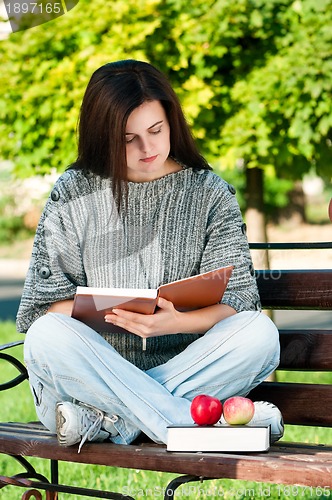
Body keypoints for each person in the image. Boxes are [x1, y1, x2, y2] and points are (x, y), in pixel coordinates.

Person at [17, 59, 283, 452]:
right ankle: (179, 422)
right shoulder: (74, 191)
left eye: (156, 130)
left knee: (260, 334)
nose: (148, 148)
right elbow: (40, 309)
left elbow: (238, 304)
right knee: (45, 336)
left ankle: (112, 423)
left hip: (167, 374)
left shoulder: (209, 193)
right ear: (102, 135)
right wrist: (111, 312)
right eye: (128, 138)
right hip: (89, 376)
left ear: (172, 121)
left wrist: (174, 323)